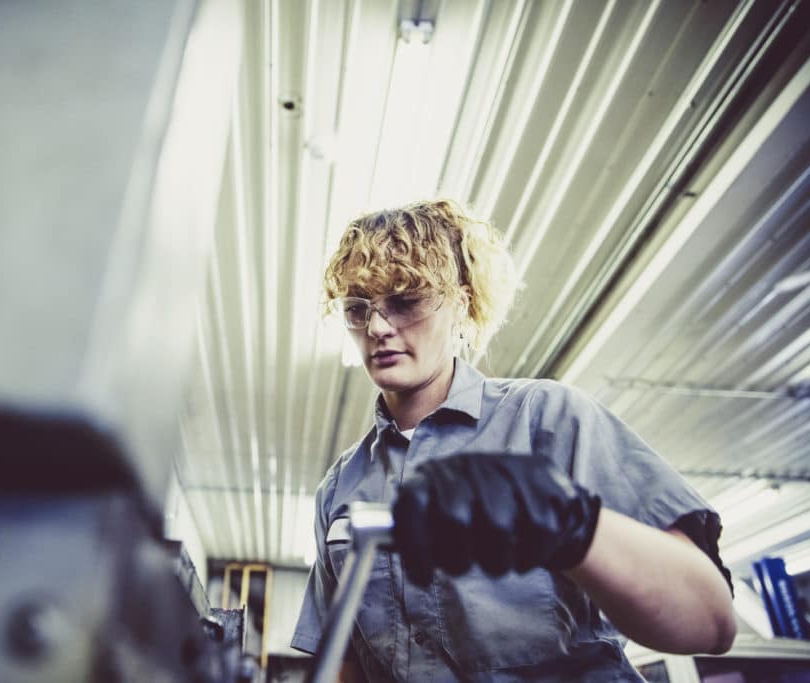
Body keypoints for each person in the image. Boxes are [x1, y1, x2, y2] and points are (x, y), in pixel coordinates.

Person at [291, 199, 735, 682]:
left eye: (405, 300)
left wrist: (572, 527)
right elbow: (348, 667)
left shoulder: (547, 420)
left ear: (460, 304)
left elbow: (711, 623)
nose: (377, 327)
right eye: (359, 308)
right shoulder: (340, 488)